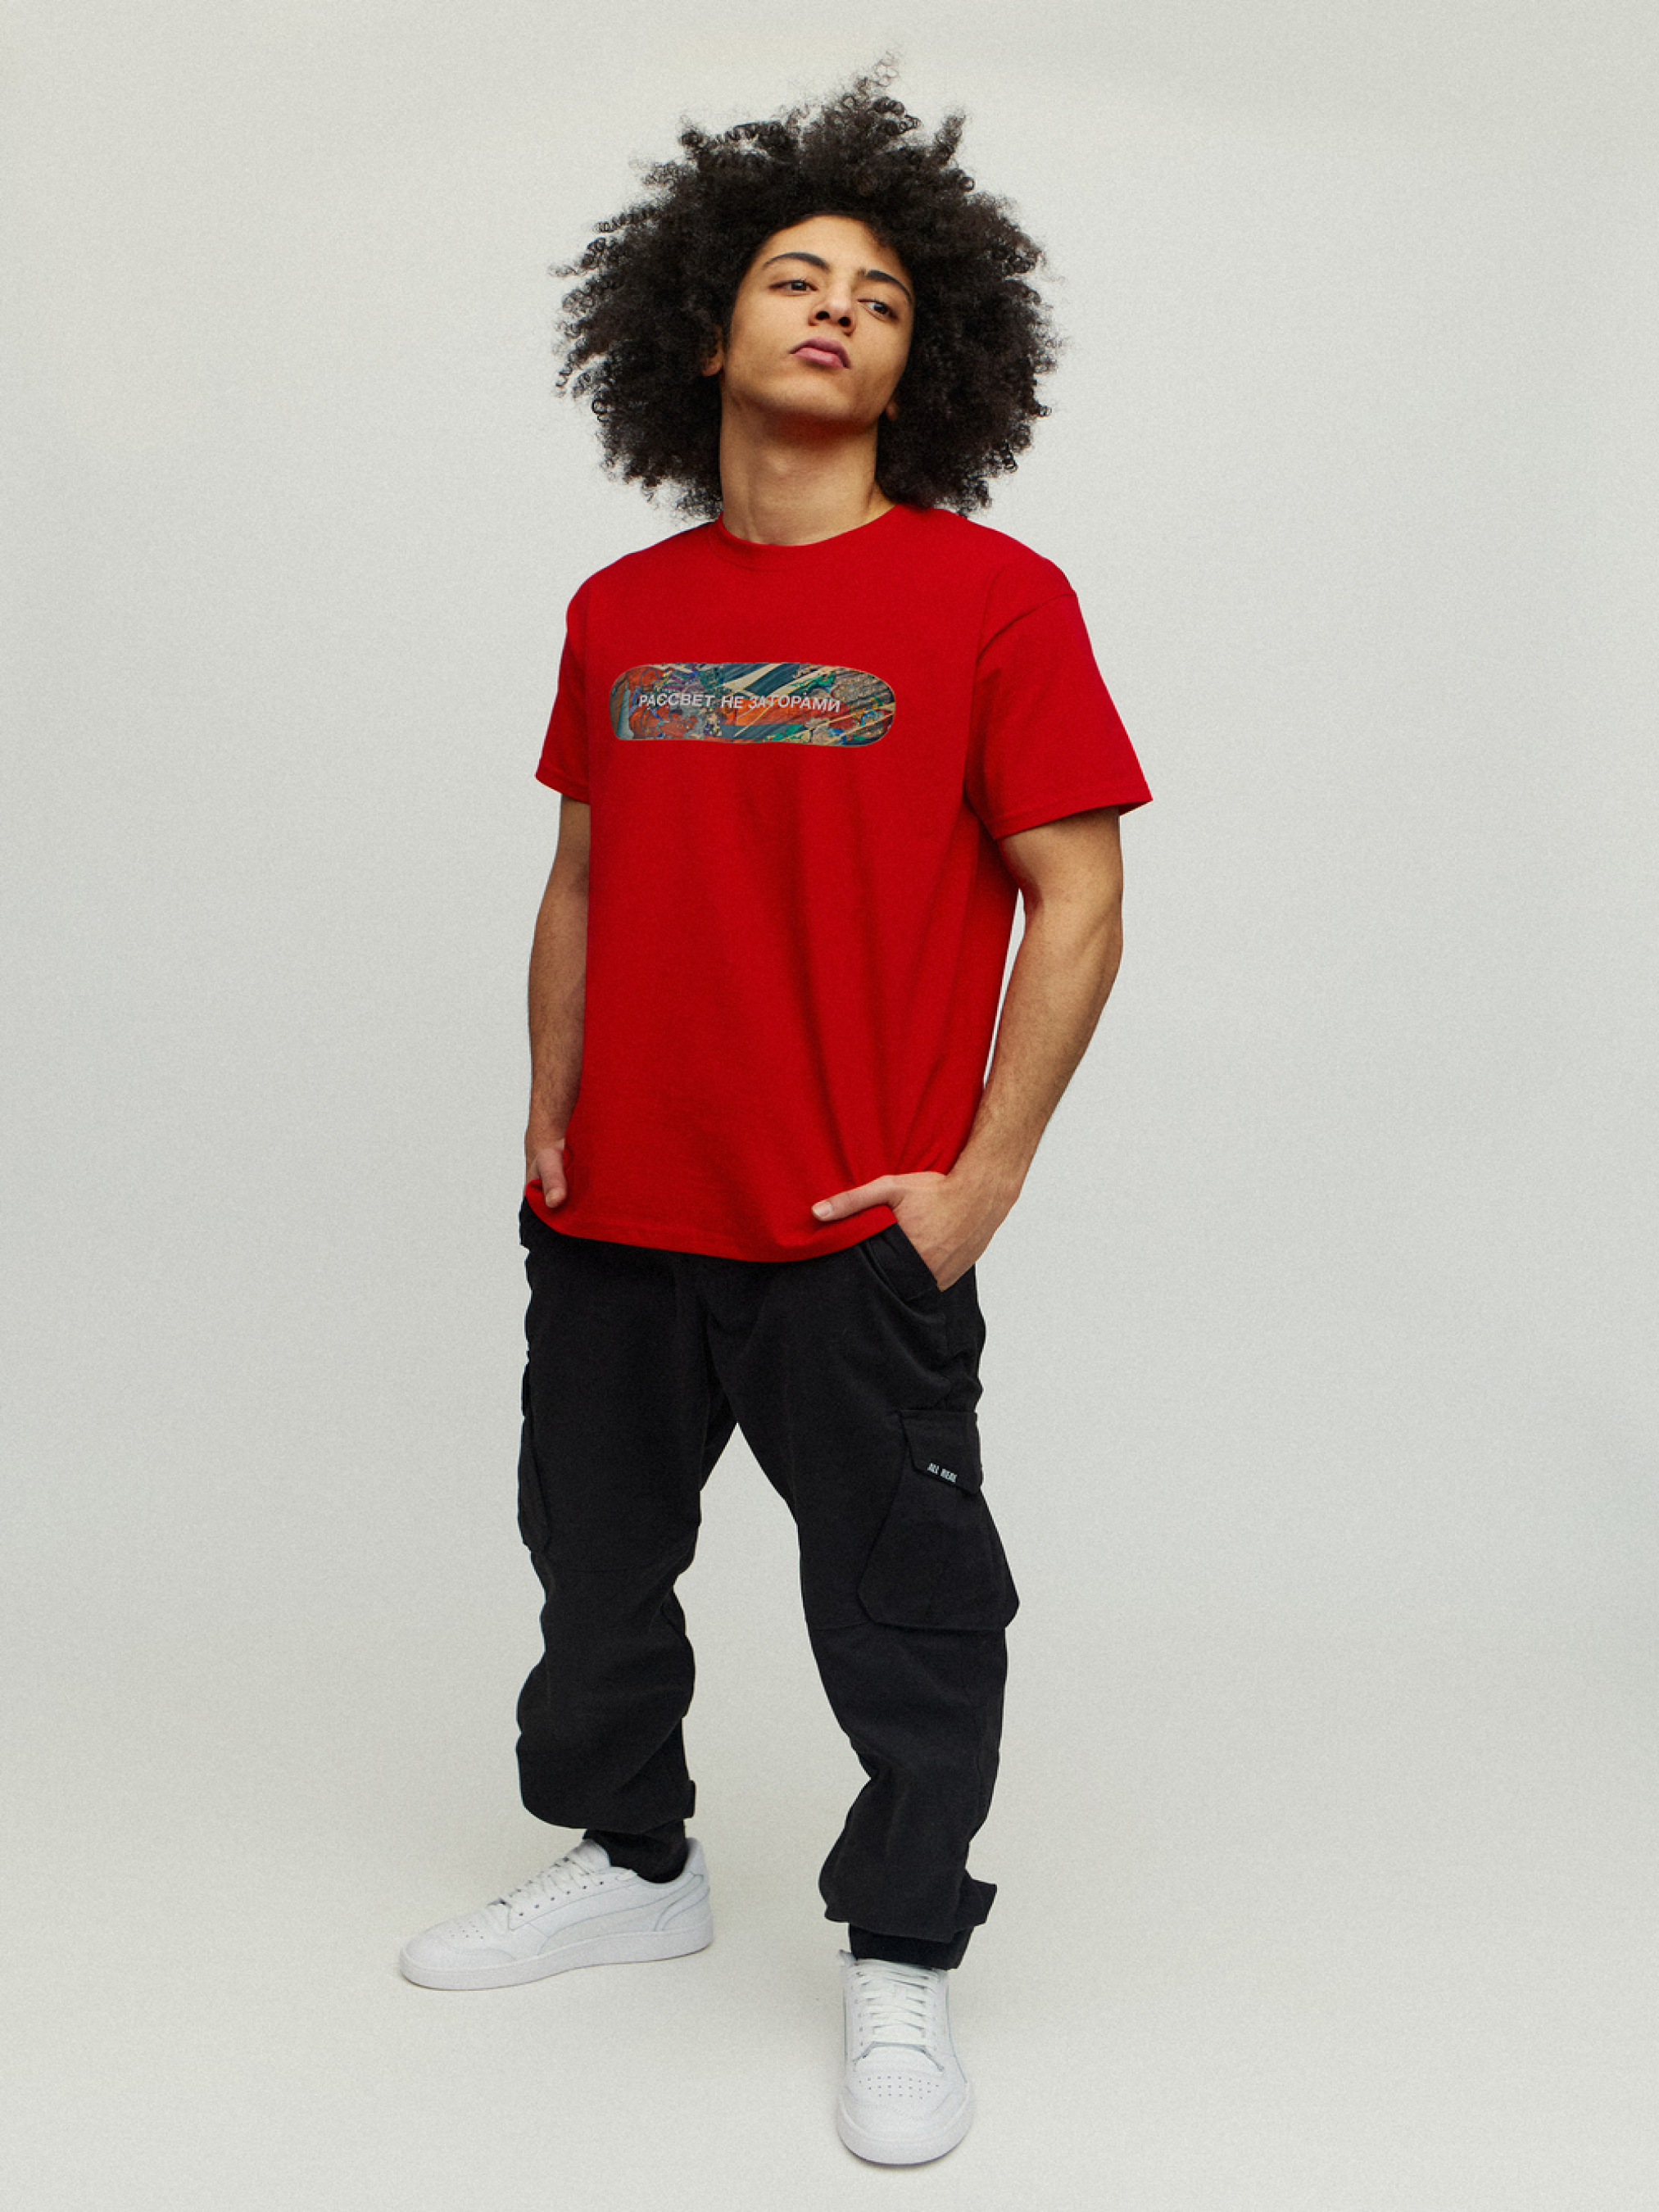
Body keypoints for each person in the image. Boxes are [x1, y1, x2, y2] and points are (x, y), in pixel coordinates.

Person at [400, 73, 1151, 2166]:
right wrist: (548, 1111)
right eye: (795, 278)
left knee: (908, 1619)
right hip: (616, 1218)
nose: (835, 310)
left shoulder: (991, 600)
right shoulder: (619, 614)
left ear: (927, 365)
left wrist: (977, 1182)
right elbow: (581, 876)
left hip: (849, 1232)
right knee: (592, 1572)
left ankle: (900, 1946)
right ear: (699, 328)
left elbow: (1080, 895)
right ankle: (634, 1865)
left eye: (881, 298)